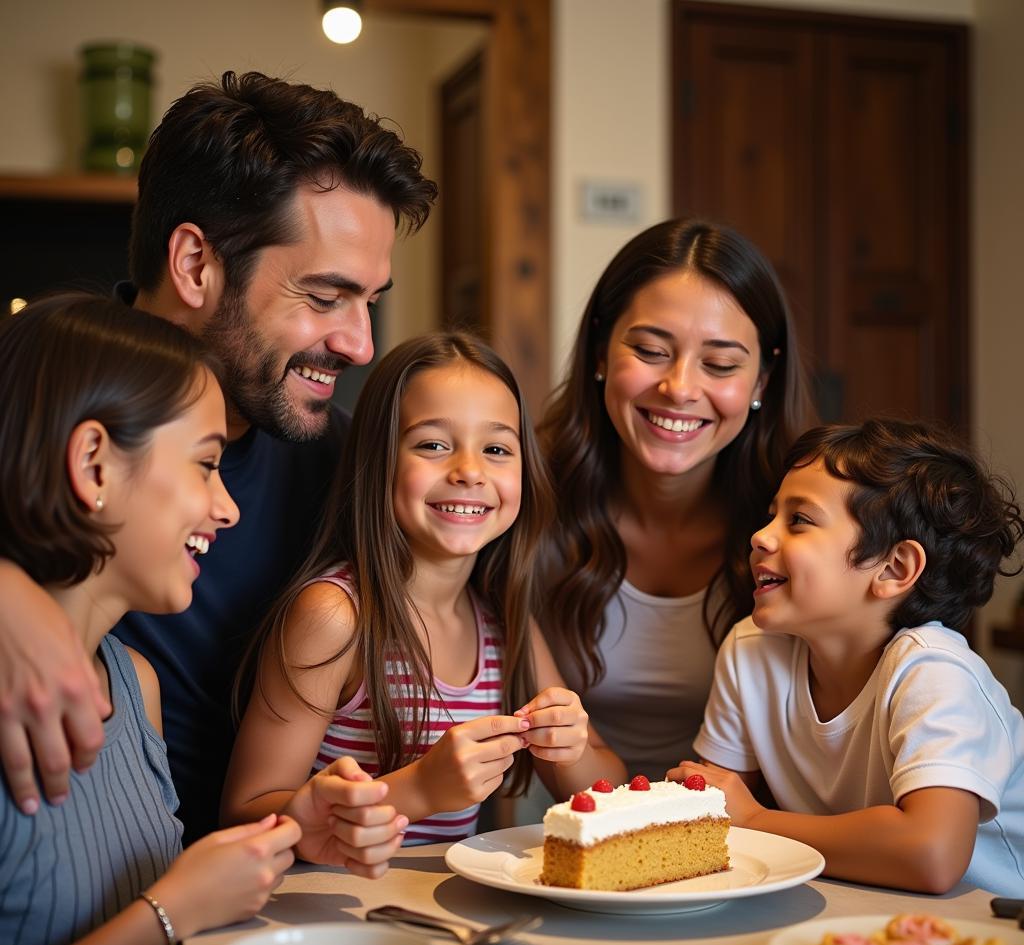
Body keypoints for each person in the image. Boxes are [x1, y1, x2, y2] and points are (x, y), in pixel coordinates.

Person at [0, 71, 438, 848]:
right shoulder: (33, 400)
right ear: (197, 264)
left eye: (369, 301)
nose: (360, 344)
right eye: (325, 295)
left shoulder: (338, 462)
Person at [0, 294, 303, 945]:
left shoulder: (137, 686)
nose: (227, 508)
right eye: (205, 465)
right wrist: (166, 914)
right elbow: (163, 909)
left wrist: (292, 830)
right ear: (94, 464)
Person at [222, 332, 625, 847]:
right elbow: (243, 816)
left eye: (497, 448)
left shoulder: (503, 621)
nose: (469, 472)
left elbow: (608, 791)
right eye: (433, 444)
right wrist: (418, 790)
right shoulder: (336, 615)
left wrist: (572, 751)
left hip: (439, 918)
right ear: (381, 460)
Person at [670, 419, 1024, 896]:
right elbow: (707, 808)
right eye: (771, 514)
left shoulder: (934, 671)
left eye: (799, 520)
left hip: (990, 926)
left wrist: (755, 818)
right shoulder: (750, 649)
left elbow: (932, 854)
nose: (760, 536)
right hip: (861, 907)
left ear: (894, 568)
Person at [538, 218, 813, 783]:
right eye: (651, 350)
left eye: (721, 364)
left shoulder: (808, 527)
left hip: (761, 839)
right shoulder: (524, 501)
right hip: (587, 824)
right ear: (599, 350)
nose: (681, 388)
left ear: (762, 380)